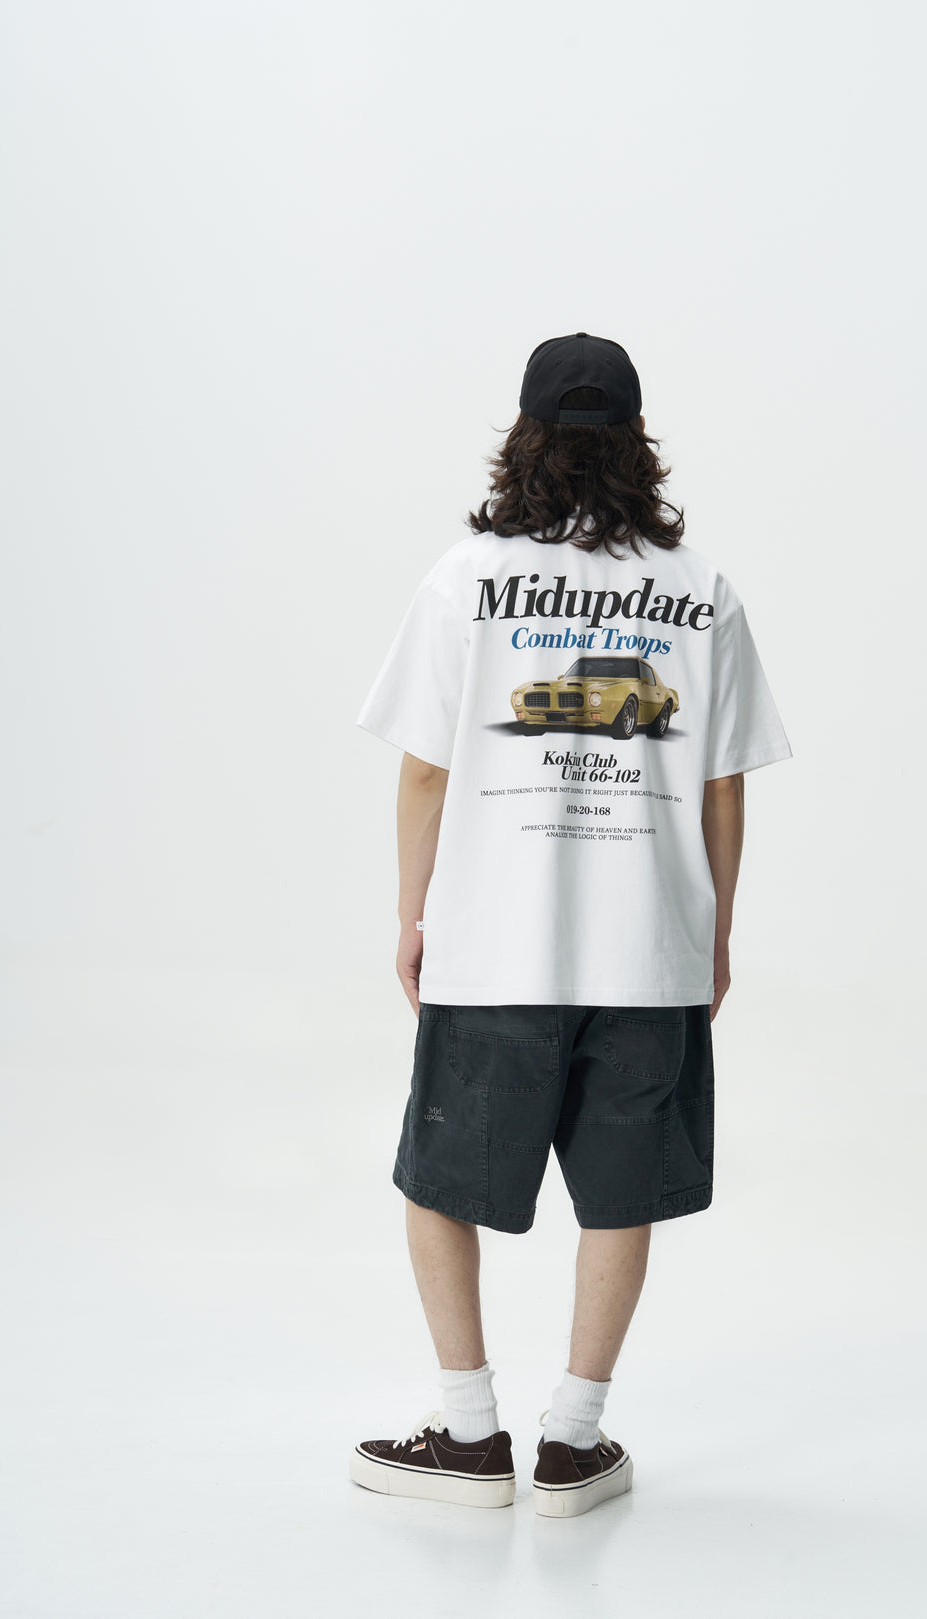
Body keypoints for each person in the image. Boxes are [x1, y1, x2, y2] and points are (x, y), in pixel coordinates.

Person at [348, 332, 793, 1516]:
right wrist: (715, 933)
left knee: (441, 1179)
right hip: (648, 947)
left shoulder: (467, 577)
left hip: (494, 940)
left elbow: (428, 769)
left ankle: (468, 1434)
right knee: (622, 1191)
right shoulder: (700, 590)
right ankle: (571, 1445)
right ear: (637, 441)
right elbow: (724, 788)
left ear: (526, 436)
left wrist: (411, 912)